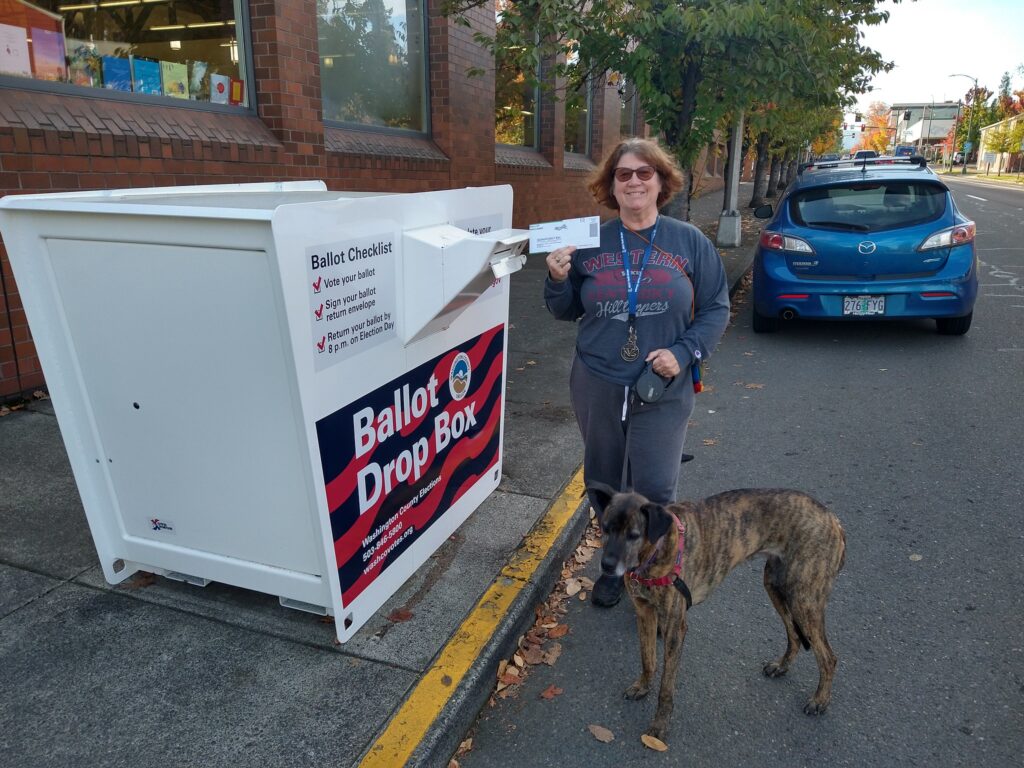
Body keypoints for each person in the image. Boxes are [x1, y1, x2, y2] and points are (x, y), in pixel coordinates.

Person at [544, 138, 731, 607]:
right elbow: (564, 311)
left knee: (653, 488)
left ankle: (652, 569)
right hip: (597, 379)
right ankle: (614, 566)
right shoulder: (589, 241)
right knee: (604, 482)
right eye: (623, 174)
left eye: (644, 173)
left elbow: (716, 308)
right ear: (611, 184)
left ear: (661, 181)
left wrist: (684, 352)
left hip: (662, 384)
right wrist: (558, 279)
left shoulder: (689, 242)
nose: (633, 181)